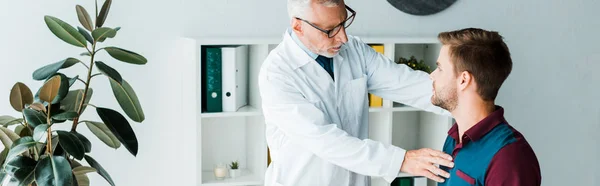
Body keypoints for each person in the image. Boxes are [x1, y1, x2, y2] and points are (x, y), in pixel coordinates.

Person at [258, 0, 455, 185]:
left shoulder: (353, 50)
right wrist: (401, 160)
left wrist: (465, 99)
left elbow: (407, 84)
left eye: (344, 23)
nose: (343, 37)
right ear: (298, 26)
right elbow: (326, 140)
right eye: (330, 30)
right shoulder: (277, 74)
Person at [430, 28, 542, 186]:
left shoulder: (508, 157)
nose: (432, 75)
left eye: (440, 69)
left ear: (464, 80)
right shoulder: (454, 137)